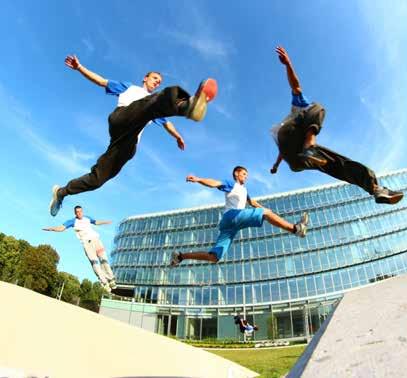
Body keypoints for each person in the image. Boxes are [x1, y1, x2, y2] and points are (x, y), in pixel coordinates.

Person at [49, 55, 217, 216]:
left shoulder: (155, 106)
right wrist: (79, 68)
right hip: (121, 120)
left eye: (159, 81)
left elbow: (166, 123)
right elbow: (101, 81)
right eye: (155, 78)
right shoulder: (130, 88)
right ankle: (186, 105)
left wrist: (177, 137)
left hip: (126, 144)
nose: (157, 82)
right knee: (156, 102)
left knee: (97, 179)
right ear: (145, 78)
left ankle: (61, 192)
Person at [270, 46, 404, 205]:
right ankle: (310, 146)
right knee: (318, 107)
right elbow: (295, 85)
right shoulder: (301, 106)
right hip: (288, 135)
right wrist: (288, 65)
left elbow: (282, 151)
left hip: (295, 159)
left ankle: (375, 189)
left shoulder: (298, 131)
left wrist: (276, 166)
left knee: (336, 164)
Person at [170, 166, 309, 266]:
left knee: (214, 257)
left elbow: (252, 202)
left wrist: (267, 211)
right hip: (232, 216)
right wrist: (199, 179)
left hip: (229, 226)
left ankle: (181, 256)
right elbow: (215, 183)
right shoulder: (232, 184)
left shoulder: (244, 190)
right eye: (244, 174)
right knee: (265, 213)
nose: (246, 177)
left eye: (246, 175)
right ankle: (296, 229)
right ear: (236, 174)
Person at [43, 205, 115, 293]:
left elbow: (96, 222)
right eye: (77, 212)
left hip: (96, 240)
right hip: (87, 244)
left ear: (82, 211)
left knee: (104, 259)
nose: (79, 213)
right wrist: (51, 229)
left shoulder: (87, 218)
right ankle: (104, 282)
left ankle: (110, 279)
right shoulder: (73, 221)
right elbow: (61, 228)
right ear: (75, 213)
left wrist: (105, 222)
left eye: (80, 211)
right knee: (95, 262)